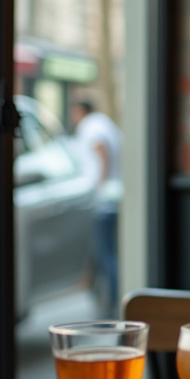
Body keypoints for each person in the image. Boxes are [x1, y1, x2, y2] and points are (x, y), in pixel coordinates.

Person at [71, 97, 122, 317]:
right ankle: (108, 298)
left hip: (104, 200)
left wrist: (99, 187)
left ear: (80, 111)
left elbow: (101, 151)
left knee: (105, 252)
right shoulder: (105, 123)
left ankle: (112, 301)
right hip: (114, 196)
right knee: (107, 250)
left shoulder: (91, 126)